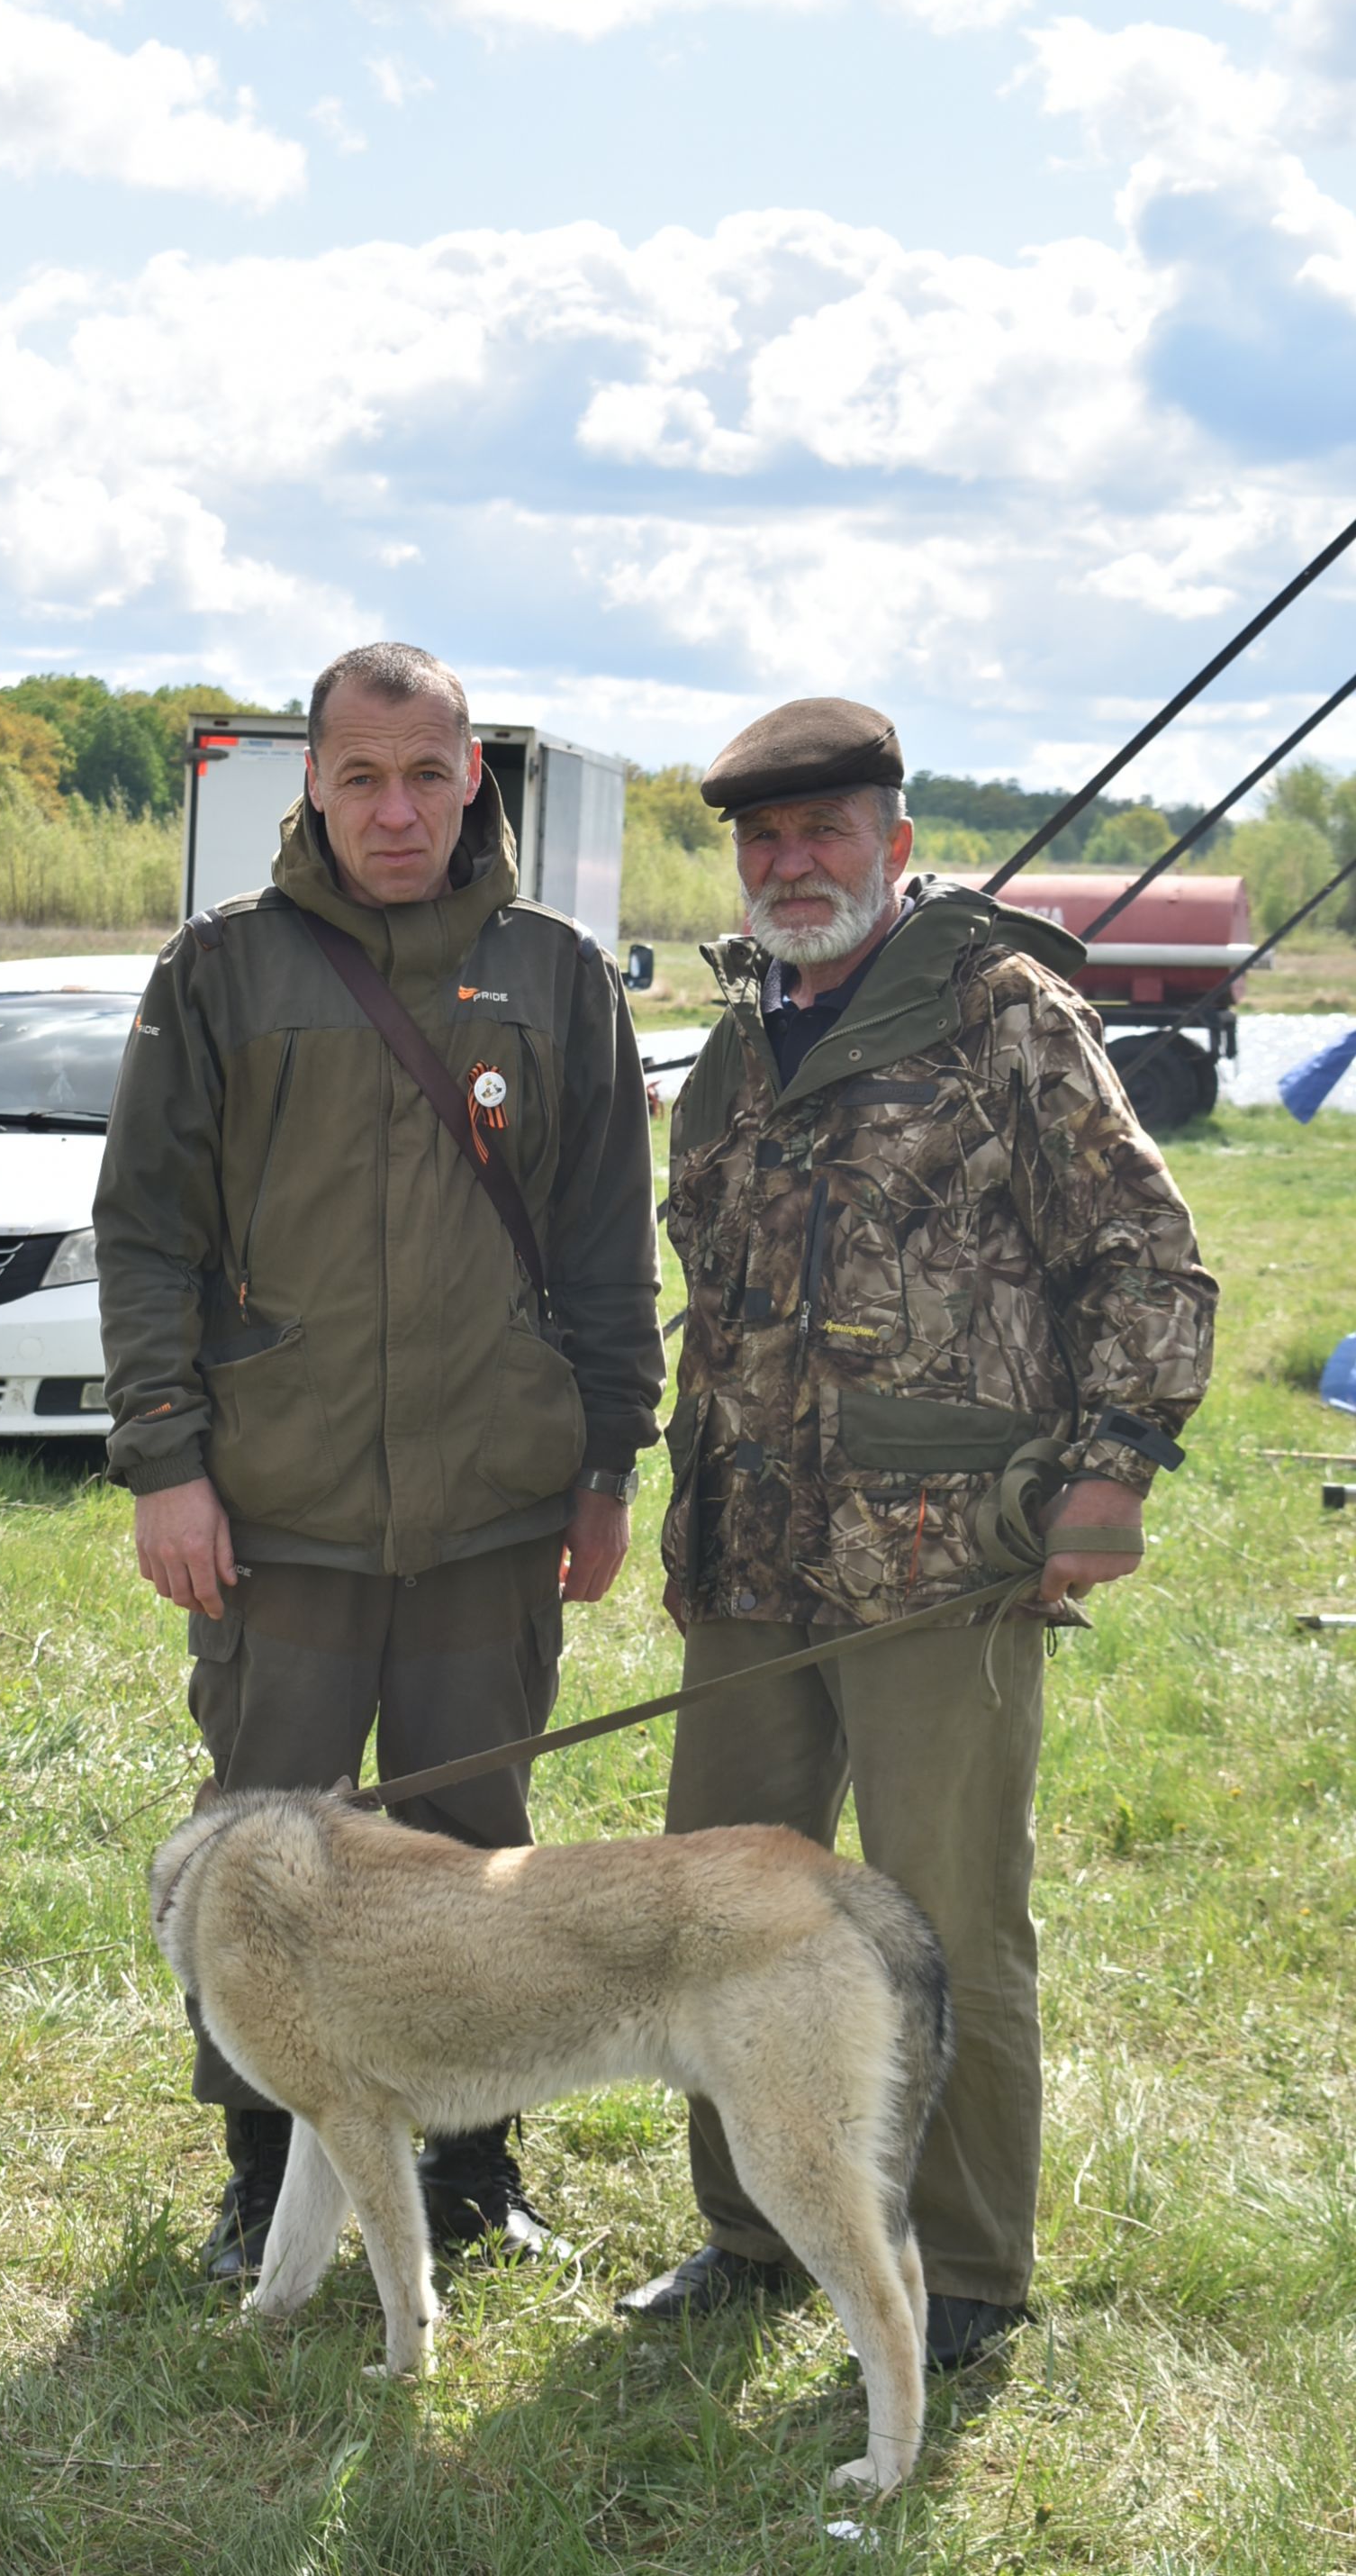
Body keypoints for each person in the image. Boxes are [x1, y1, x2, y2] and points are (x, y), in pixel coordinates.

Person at [618, 697, 1216, 2366]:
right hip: (745, 1559)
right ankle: (748, 2232)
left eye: (825, 832)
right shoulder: (736, 1051)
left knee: (944, 1917)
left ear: (894, 841)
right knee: (718, 1912)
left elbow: (1146, 1253)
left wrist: (1109, 1474)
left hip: (944, 1563)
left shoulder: (998, 1011)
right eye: (763, 839)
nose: (791, 863)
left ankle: (965, 2274)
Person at [94, 642, 664, 2279]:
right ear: (314, 788)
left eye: (427, 774)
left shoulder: (555, 975)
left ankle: (476, 2169)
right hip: (281, 1510)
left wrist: (609, 1464)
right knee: (265, 1855)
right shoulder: (223, 973)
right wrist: (165, 1464)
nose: (395, 809)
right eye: (363, 777)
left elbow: (604, 1248)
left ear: (472, 773)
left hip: (494, 1506)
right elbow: (144, 1236)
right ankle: (260, 2166)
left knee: (477, 1845)